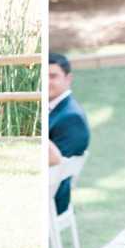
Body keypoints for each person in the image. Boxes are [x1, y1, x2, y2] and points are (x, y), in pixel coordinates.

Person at [48, 53, 90, 215]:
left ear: (68, 78)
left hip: (53, 198)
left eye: (53, 76)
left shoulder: (71, 117)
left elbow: (52, 163)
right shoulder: (53, 110)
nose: (47, 82)